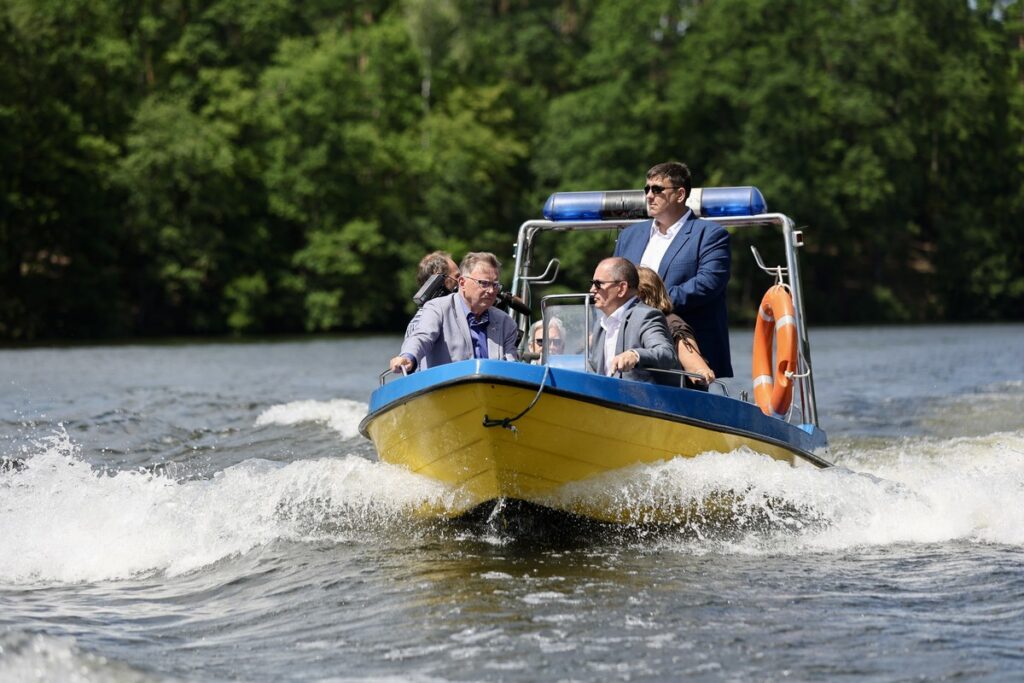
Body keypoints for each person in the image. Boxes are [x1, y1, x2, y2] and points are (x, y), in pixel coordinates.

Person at [613, 161, 733, 378]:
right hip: (628, 349)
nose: (649, 195)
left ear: (680, 194)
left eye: (657, 189)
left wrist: (654, 301)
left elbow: (708, 283)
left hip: (686, 353)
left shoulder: (711, 234)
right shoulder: (628, 236)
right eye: (647, 189)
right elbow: (613, 280)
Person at [391, 252, 519, 373]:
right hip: (443, 392)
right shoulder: (436, 309)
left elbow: (511, 367)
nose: (491, 291)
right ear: (462, 283)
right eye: (484, 283)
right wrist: (408, 357)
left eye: (495, 285)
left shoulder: (506, 322)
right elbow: (422, 337)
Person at [587, 257, 676, 383]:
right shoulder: (600, 323)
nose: (592, 290)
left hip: (641, 401)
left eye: (598, 284)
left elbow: (666, 354)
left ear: (622, 288)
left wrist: (635, 355)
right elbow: (595, 369)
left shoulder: (647, 316)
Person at [636, 266, 715, 389]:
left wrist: (700, 371)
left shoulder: (671, 323)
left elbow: (696, 367)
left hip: (671, 399)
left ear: (641, 293)